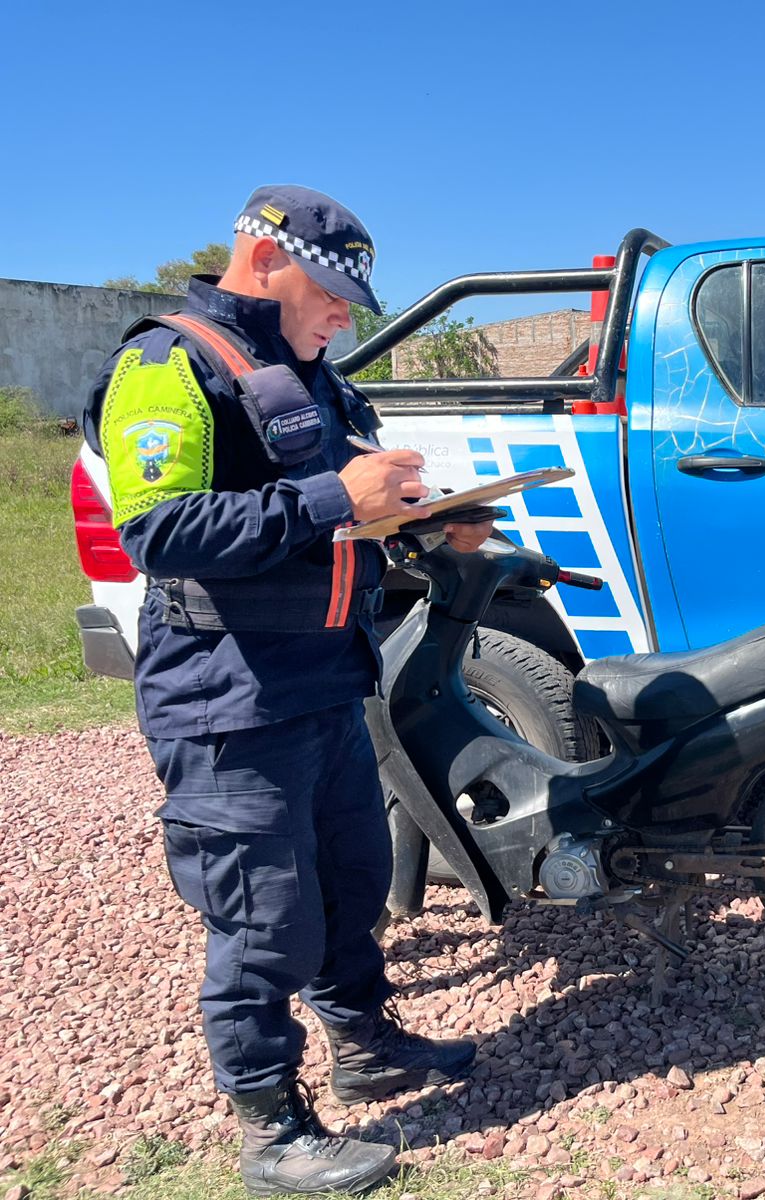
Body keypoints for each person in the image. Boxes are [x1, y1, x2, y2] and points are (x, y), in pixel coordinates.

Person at [83, 186, 492, 1196]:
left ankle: (364, 1049)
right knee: (264, 922)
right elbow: (161, 532)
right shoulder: (165, 363)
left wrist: (431, 522)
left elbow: (342, 523)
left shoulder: (316, 380)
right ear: (263, 261)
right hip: (227, 699)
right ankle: (271, 1132)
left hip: (322, 683)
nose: (346, 314)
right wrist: (334, 496)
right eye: (335, 292)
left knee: (350, 888)